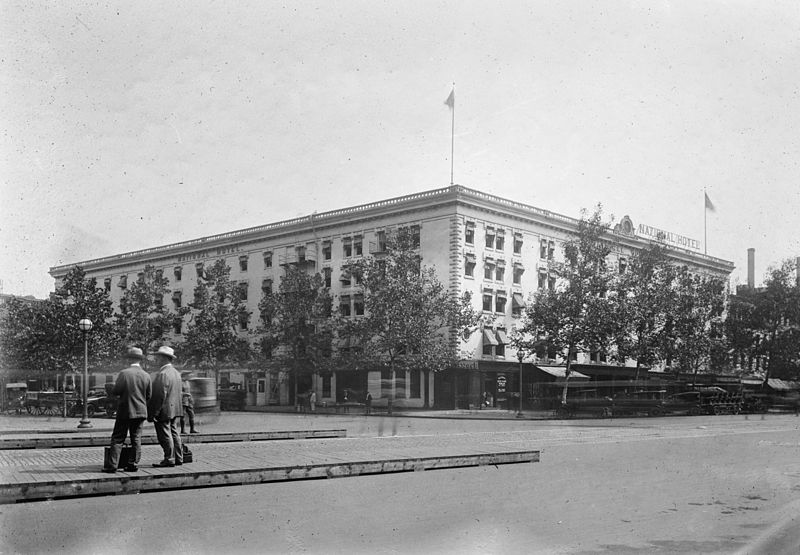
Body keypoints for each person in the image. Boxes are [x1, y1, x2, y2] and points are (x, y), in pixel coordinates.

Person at [103, 347, 152, 473]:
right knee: (136, 438)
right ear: (140, 360)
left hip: (125, 410)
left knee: (118, 437)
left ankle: (112, 465)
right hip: (140, 411)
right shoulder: (146, 375)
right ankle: (133, 464)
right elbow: (149, 395)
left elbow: (116, 391)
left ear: (129, 359)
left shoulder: (124, 373)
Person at [147, 345, 183, 467]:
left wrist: (154, 413)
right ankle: (179, 457)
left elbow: (159, 396)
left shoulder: (163, 374)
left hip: (164, 409)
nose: (156, 360)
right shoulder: (176, 373)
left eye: (158, 357)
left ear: (163, 358)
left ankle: (169, 459)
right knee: (174, 432)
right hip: (174, 408)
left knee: (165, 435)